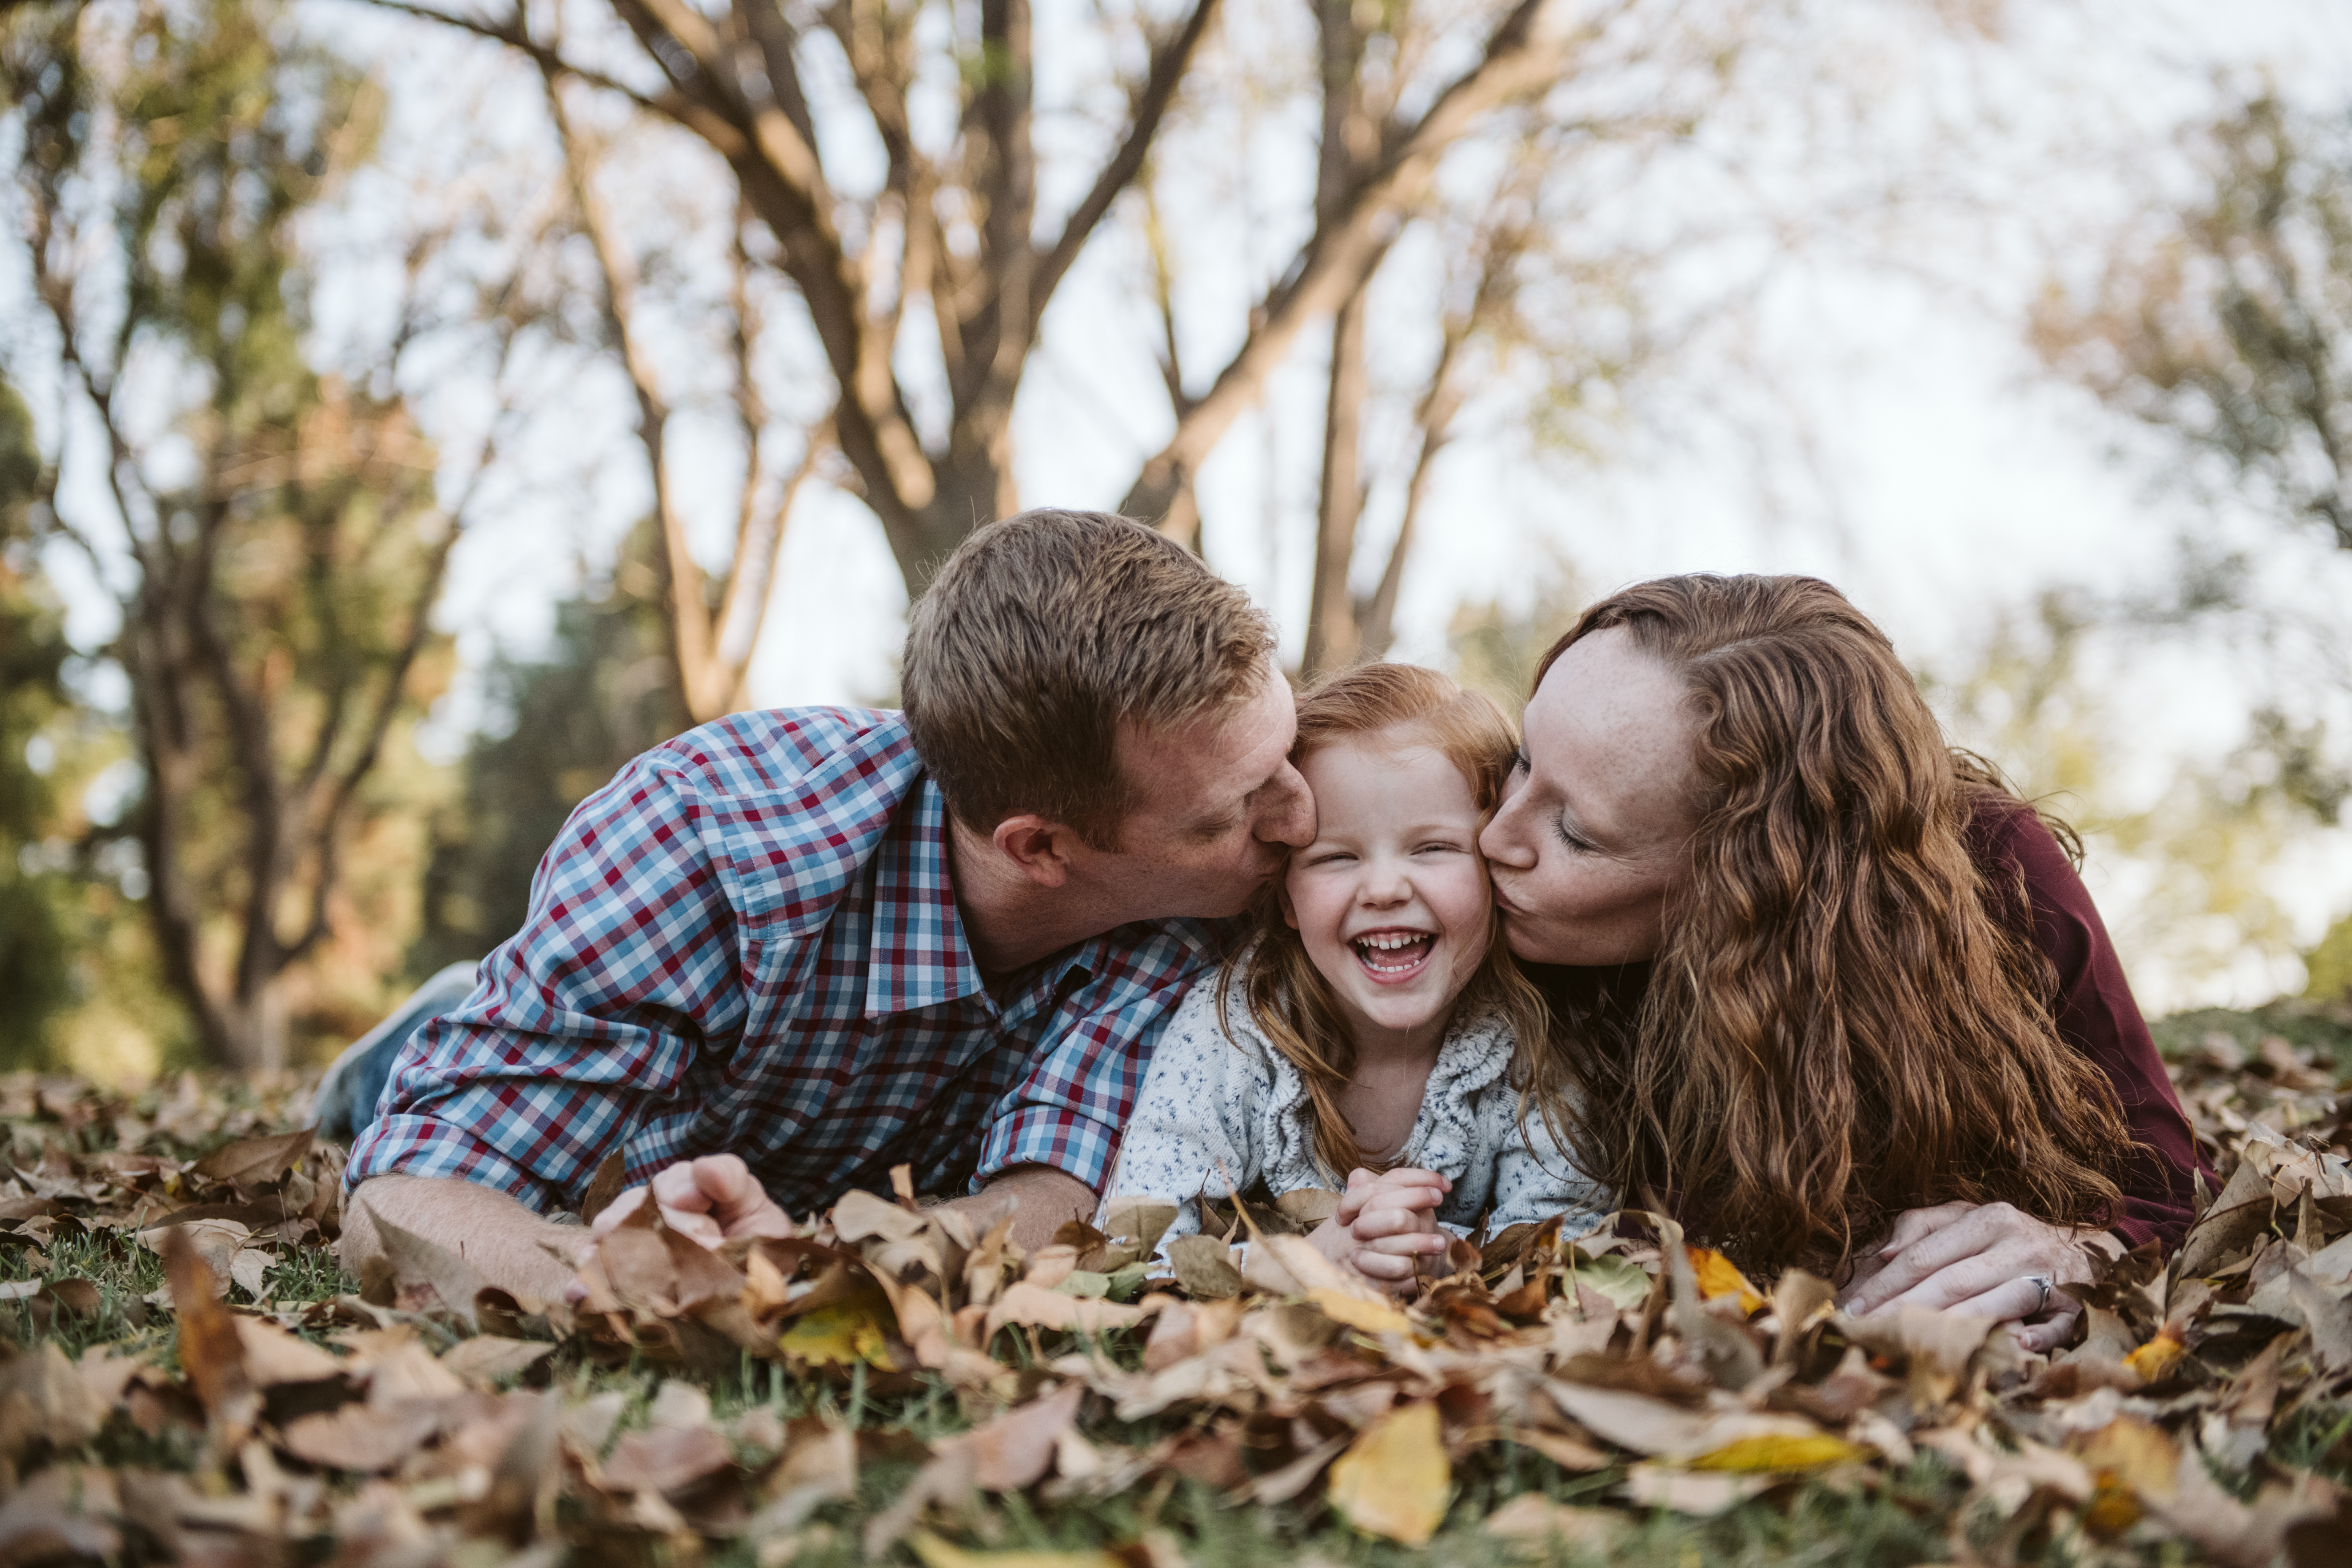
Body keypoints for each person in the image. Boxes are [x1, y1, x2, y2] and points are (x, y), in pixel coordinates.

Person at [337, 511, 1316, 1303]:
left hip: (854, 1173)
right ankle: (421, 1031)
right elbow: (403, 1201)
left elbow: (1057, 1198)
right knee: (393, 1089)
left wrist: (804, 1271)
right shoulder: (703, 840)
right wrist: (633, 1281)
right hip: (644, 1123)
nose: (1302, 817)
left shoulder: (1207, 895)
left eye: (1289, 751)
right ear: (1041, 847)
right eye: (1234, 813)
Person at [1478, 574, 2210, 1351]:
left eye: (1577, 834)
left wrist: (2079, 1254)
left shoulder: (1987, 872)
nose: (1494, 836)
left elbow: (2168, 1187)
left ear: (1743, 886)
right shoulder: (1446, 878)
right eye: (1524, 759)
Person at [1102, 664, 1607, 1288]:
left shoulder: (1532, 1039)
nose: (1387, 889)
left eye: (1433, 849)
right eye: (1338, 857)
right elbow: (1133, 1243)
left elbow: (1570, 1238)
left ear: (1495, 866)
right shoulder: (1238, 1026)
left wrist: (1431, 1256)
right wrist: (1303, 1264)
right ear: (1286, 898)